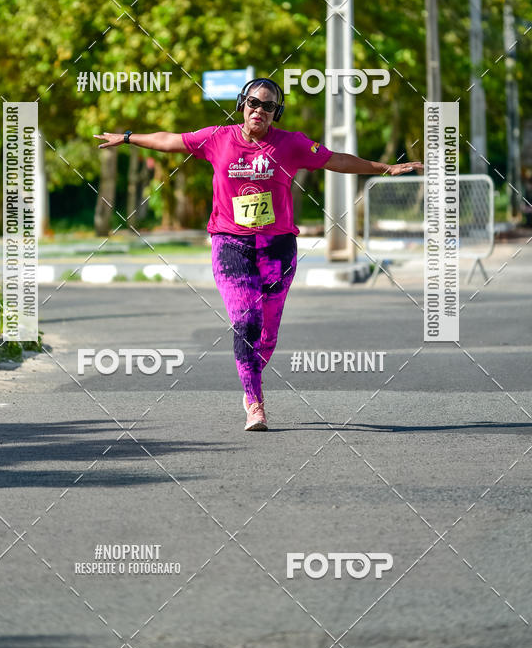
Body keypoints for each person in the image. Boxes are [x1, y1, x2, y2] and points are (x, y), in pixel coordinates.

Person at [94, 78, 423, 432]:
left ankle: (249, 369)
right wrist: (128, 137)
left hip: (278, 249)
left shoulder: (290, 144)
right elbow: (170, 140)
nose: (259, 110)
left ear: (275, 113)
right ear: (242, 105)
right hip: (230, 244)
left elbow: (334, 159)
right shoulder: (218, 138)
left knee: (267, 336)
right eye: (253, 103)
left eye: (268, 106)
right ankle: (254, 402)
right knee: (246, 322)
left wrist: (385, 167)